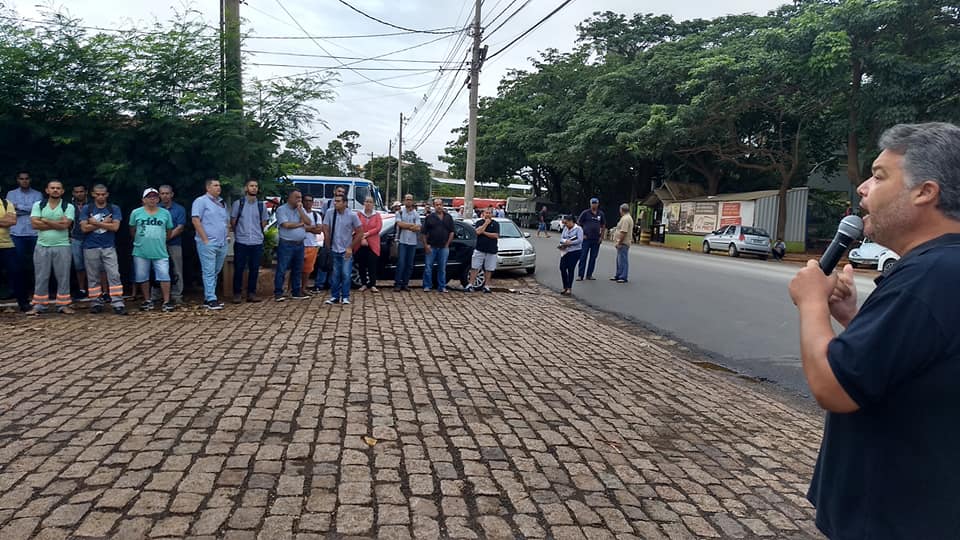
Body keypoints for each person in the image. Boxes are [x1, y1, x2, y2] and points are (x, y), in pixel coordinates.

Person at [788, 122, 960, 540]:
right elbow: (923, 363)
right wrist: (853, 320)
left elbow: (835, 387)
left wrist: (812, 303)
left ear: (925, 192)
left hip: (895, 519)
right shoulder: (943, 269)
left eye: (880, 176)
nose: (863, 189)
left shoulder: (930, 276)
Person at [27, 180, 75, 315]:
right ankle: (39, 305)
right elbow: (34, 225)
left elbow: (66, 225)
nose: (55, 190)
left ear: (62, 191)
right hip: (42, 245)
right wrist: (58, 223)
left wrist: (45, 220)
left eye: (58, 188)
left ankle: (63, 304)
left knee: (63, 276)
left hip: (63, 245)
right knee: (41, 276)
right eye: (52, 188)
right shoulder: (39, 205)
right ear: (47, 190)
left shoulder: (68, 206)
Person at [79, 184, 126, 315]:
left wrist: (95, 223)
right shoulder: (87, 208)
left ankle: (118, 303)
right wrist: (105, 223)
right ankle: (95, 302)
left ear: (107, 195)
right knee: (93, 276)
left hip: (108, 246)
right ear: (93, 194)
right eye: (98, 194)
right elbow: (84, 228)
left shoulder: (114, 208)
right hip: (90, 247)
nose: (100, 197)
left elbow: (115, 227)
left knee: (114, 275)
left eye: (103, 194)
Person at [130, 188, 175, 312]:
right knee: (142, 276)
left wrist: (163, 239)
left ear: (158, 199)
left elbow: (169, 230)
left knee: (164, 275)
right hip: (140, 250)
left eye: (154, 197)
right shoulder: (136, 213)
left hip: (160, 250)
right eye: (149, 197)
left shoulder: (165, 213)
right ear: (143, 199)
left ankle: (166, 301)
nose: (152, 199)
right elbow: (132, 229)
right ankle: (147, 300)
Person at [6, 171, 42, 311]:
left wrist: (19, 207)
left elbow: (37, 210)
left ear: (30, 180)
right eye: (22, 179)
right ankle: (15, 291)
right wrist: (29, 210)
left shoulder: (37, 194)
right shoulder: (11, 194)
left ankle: (38, 290)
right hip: (17, 232)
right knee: (16, 264)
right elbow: (10, 212)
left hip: (34, 232)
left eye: (26, 178)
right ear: (18, 180)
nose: (24, 181)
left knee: (39, 263)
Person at [192, 179, 229, 310]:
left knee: (215, 271)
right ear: (208, 188)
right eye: (215, 185)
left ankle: (209, 297)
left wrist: (227, 236)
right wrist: (205, 240)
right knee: (208, 271)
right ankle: (211, 298)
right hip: (208, 242)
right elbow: (196, 220)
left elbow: (225, 221)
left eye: (219, 185)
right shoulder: (201, 201)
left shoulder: (222, 203)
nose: (219, 188)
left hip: (222, 242)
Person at [230, 179, 269, 303]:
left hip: (256, 241)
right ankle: (237, 293)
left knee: (254, 269)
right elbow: (233, 221)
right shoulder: (238, 204)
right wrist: (239, 232)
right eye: (251, 186)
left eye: (256, 186)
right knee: (239, 268)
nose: (254, 188)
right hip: (241, 241)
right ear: (246, 188)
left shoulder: (261, 205)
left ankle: (251, 293)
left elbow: (264, 222)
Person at [322, 193, 362, 305]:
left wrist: (350, 247)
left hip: (346, 250)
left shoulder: (352, 215)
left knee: (346, 274)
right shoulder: (330, 213)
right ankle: (334, 296)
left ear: (345, 203)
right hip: (334, 248)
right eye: (335, 201)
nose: (335, 203)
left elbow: (360, 232)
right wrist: (327, 243)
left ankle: (345, 296)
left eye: (338, 201)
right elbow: (325, 227)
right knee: (335, 275)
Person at [274, 190, 312, 302]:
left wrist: (300, 211)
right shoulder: (282, 209)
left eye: (300, 197)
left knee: (297, 269)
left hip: (299, 244)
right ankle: (278, 292)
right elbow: (286, 225)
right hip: (286, 244)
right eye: (297, 197)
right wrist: (300, 224)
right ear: (290, 198)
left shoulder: (301, 209)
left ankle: (296, 292)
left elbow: (308, 222)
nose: (299, 200)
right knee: (282, 269)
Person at [157, 185, 187, 304]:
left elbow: (180, 227)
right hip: (157, 245)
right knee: (157, 269)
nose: (165, 196)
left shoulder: (179, 209)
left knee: (177, 269)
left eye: (167, 193)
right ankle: (156, 295)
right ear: (159, 195)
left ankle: (177, 294)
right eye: (162, 193)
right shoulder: (155, 209)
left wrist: (165, 238)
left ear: (172, 194)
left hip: (174, 243)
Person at [421, 198, 454, 292]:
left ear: (443, 205)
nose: (439, 206)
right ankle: (427, 285)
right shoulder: (429, 217)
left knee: (442, 268)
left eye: (440, 204)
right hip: (431, 246)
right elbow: (423, 233)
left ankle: (442, 286)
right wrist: (426, 245)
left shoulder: (448, 217)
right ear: (434, 206)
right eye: (437, 205)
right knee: (428, 267)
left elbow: (452, 232)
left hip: (444, 247)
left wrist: (447, 244)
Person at [465, 207, 499, 293]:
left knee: (489, 268)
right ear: (483, 214)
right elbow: (477, 232)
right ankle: (470, 284)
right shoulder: (479, 222)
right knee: (475, 267)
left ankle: (486, 286)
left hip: (491, 250)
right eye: (486, 213)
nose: (488, 214)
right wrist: (485, 224)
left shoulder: (496, 224)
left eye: (489, 213)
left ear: (492, 214)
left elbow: (495, 235)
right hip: (479, 249)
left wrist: (483, 232)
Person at [356, 195, 383, 292]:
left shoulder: (377, 215)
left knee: (372, 264)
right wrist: (362, 237)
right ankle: (363, 284)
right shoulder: (359, 214)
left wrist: (367, 234)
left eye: (370, 202)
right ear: (364, 203)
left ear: (373, 204)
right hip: (360, 242)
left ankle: (373, 284)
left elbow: (378, 228)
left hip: (373, 243)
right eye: (366, 201)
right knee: (361, 264)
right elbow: (356, 226)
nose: (368, 203)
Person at [393, 194, 420, 291]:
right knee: (401, 263)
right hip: (402, 241)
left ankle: (405, 283)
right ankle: (397, 284)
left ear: (412, 201)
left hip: (412, 242)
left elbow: (418, 227)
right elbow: (400, 224)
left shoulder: (415, 213)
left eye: (410, 199)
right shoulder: (399, 212)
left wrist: (407, 226)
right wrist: (412, 225)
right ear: (404, 200)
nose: (409, 201)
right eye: (407, 199)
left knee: (409, 264)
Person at [577, 197, 606, 280]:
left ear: (598, 204)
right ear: (590, 204)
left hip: (596, 239)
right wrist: (582, 234)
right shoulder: (585, 213)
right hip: (586, 239)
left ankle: (589, 275)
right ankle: (580, 275)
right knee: (583, 257)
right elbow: (578, 224)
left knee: (593, 258)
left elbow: (603, 225)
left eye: (595, 203)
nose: (594, 205)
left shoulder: (600, 214)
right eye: (593, 203)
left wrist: (601, 237)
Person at [301, 194, 324, 294]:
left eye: (310, 201)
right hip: (300, 244)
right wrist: (312, 228)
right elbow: (298, 227)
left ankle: (303, 288)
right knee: (296, 269)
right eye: (306, 200)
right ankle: (291, 289)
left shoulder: (316, 215)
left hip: (312, 245)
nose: (308, 203)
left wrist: (306, 228)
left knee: (308, 270)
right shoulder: (299, 213)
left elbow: (319, 230)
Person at [69, 184, 88, 298]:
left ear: (86, 192)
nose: (79, 194)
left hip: (91, 237)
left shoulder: (91, 204)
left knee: (93, 265)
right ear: (73, 193)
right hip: (75, 237)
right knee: (78, 265)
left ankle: (95, 289)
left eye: (81, 191)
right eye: (76, 192)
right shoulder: (69, 206)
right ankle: (82, 289)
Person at [0, 190, 19, 307]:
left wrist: (7, 220)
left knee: (16, 274)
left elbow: (12, 221)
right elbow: (6, 221)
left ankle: (23, 303)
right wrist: (3, 220)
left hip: (7, 245)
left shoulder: (6, 203)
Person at [558, 215, 583, 296]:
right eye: (565, 223)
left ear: (571, 221)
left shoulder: (578, 229)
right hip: (565, 251)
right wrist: (565, 241)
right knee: (562, 268)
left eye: (567, 223)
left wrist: (571, 242)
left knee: (570, 269)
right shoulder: (565, 228)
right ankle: (564, 286)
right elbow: (561, 238)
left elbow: (580, 240)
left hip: (575, 251)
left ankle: (569, 288)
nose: (566, 224)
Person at [611, 203, 634, 283]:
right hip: (622, 242)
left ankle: (623, 276)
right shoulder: (625, 218)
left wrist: (619, 242)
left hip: (623, 242)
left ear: (621, 210)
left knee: (623, 260)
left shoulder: (626, 219)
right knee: (619, 260)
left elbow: (624, 232)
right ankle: (618, 274)